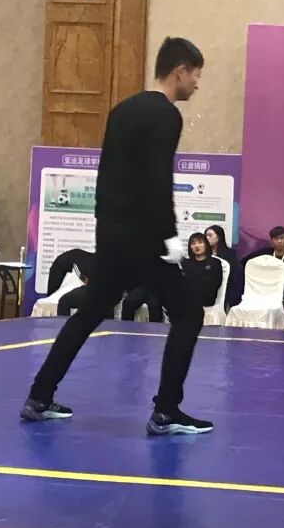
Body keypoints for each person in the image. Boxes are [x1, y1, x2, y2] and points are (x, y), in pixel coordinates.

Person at [21, 36, 212, 435]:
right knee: (188, 314)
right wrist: (171, 241)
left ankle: (39, 396)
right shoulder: (166, 115)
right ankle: (166, 410)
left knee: (91, 311)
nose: (197, 84)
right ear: (180, 71)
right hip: (146, 239)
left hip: (112, 235)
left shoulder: (122, 110)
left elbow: (107, 177)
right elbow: (158, 181)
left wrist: (106, 231)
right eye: (195, 75)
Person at [243, 226, 284, 326]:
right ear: (271, 241)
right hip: (262, 295)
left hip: (282, 298)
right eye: (276, 239)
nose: (279, 241)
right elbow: (245, 262)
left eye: (282, 238)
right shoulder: (264, 254)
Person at [183, 232, 223, 308]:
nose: (196, 246)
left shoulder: (215, 263)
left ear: (206, 245)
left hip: (206, 301)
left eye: (200, 242)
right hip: (186, 301)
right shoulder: (185, 263)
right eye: (193, 243)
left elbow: (216, 284)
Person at [205, 224, 240, 309]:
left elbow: (234, 274)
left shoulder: (230, 254)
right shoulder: (203, 254)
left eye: (210, 235)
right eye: (205, 235)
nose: (207, 238)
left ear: (218, 237)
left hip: (226, 289)